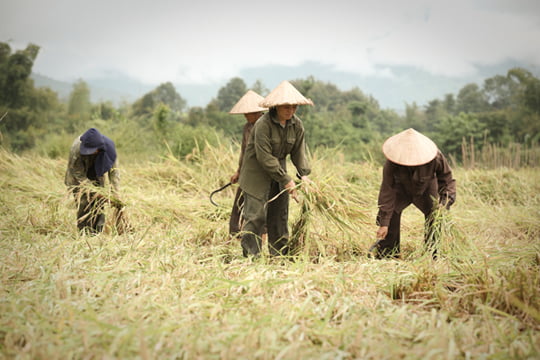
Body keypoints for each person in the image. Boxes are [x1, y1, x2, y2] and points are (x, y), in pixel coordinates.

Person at [238, 80, 313, 257]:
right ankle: (251, 256)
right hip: (256, 173)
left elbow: (298, 152)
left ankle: (279, 255)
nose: (290, 110)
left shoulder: (296, 125)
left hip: (279, 172)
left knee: (279, 215)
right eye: (286, 107)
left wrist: (304, 175)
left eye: (294, 107)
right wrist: (287, 180)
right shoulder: (263, 125)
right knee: (255, 216)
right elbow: (264, 158)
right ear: (276, 106)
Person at [374, 128, 456, 259]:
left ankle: (432, 253)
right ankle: (388, 254)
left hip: (427, 187)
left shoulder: (435, 157)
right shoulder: (392, 162)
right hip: (400, 188)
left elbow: (447, 180)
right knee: (391, 215)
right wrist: (384, 223)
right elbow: (387, 190)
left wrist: (444, 203)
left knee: (435, 215)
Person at [65, 128, 120, 234]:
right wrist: (96, 192)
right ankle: (84, 232)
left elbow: (114, 172)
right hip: (78, 177)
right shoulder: (76, 150)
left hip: (96, 171)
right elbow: (78, 174)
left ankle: (97, 232)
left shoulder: (109, 149)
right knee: (84, 203)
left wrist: (115, 193)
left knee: (99, 204)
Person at [228, 90, 267, 238]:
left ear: (256, 112)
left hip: (262, 173)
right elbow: (244, 152)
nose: (245, 115)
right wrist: (239, 171)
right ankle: (234, 234)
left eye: (248, 113)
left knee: (259, 206)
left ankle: (261, 235)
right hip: (247, 172)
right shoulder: (247, 127)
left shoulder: (266, 126)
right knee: (239, 202)